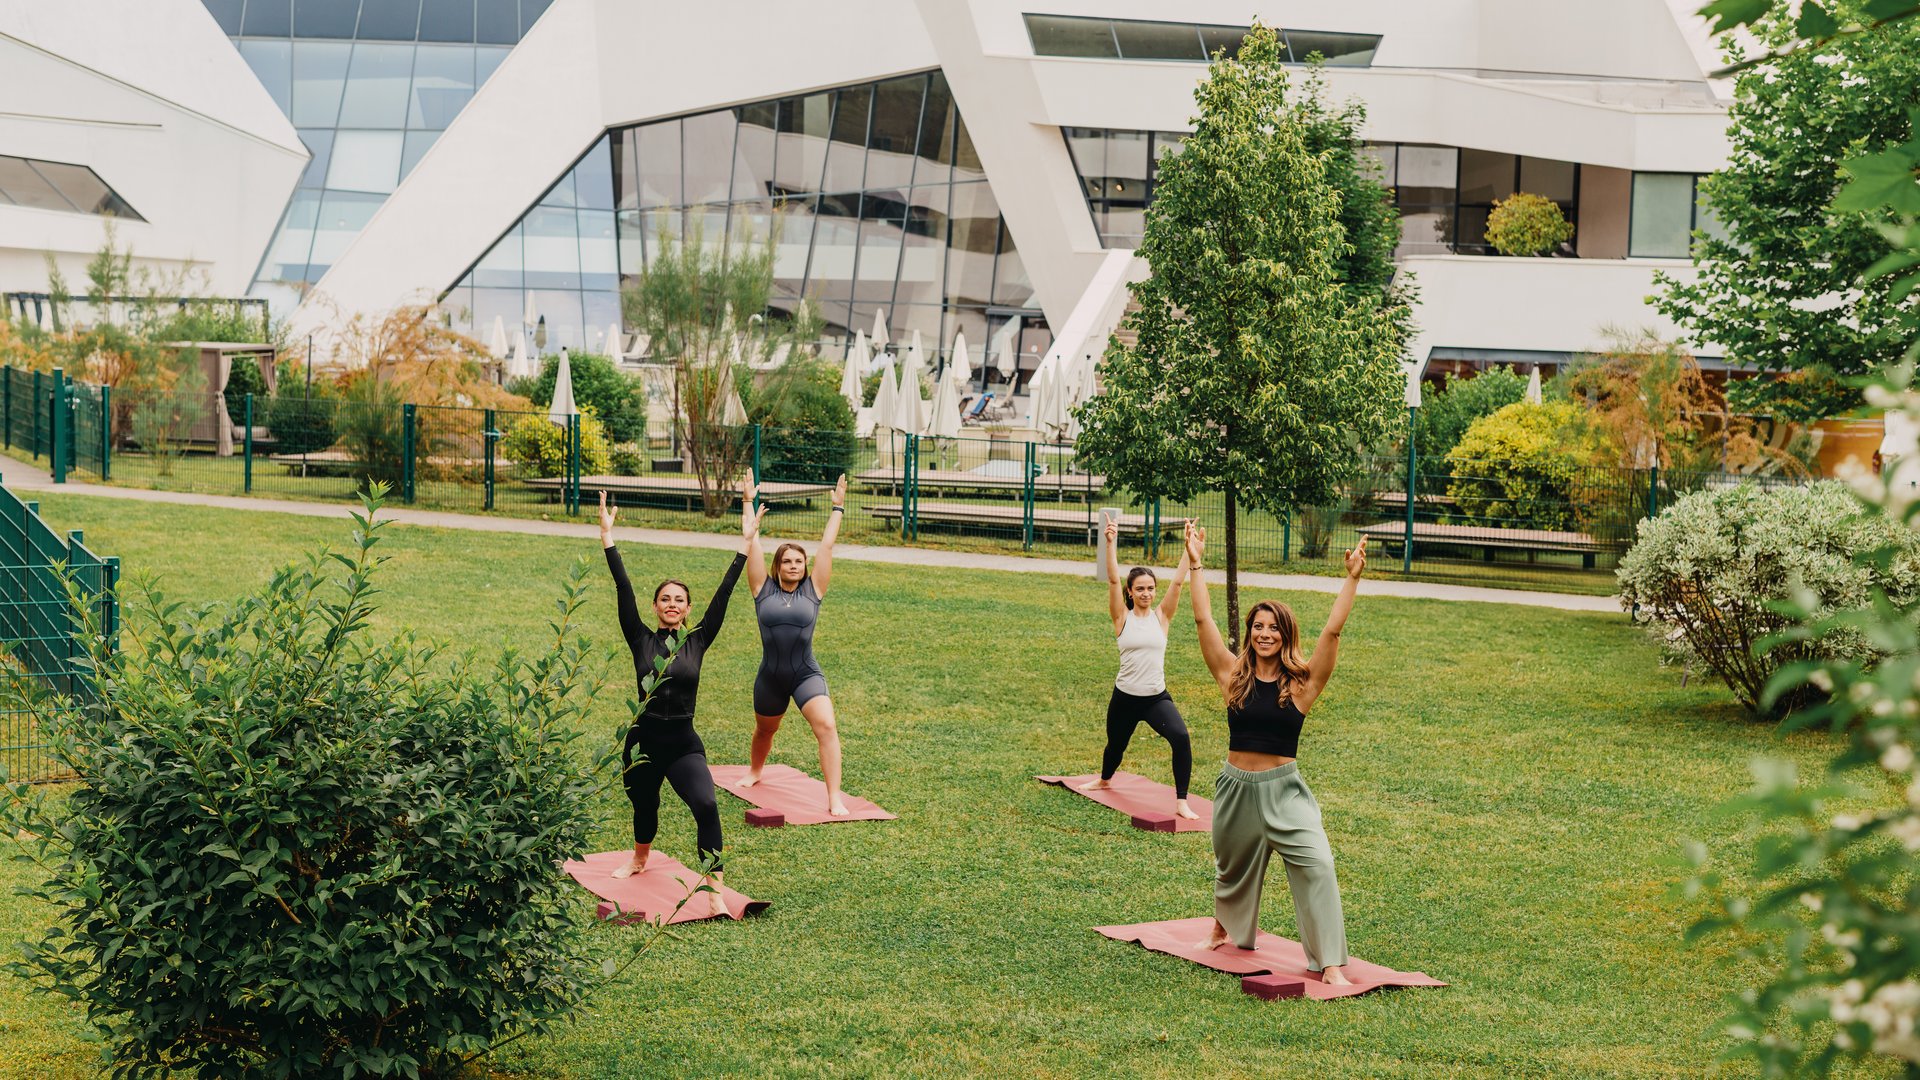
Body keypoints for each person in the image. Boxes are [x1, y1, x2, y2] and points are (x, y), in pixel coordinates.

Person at [1186, 522, 1366, 985]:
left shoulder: (1302, 684)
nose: (1265, 634)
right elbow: (1203, 622)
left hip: (1285, 791)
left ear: (1286, 635)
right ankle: (1222, 928)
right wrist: (1196, 563)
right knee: (1232, 867)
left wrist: (1352, 579)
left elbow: (1332, 633)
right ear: (1250, 633)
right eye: (1257, 627)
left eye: (1273, 628)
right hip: (1235, 788)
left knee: (1319, 864)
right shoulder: (1232, 676)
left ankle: (1329, 965)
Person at [600, 489, 758, 916]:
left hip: (683, 742)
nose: (672, 605)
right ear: (655, 607)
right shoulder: (640, 638)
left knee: (706, 805)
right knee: (644, 805)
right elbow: (623, 587)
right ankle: (639, 857)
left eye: (679, 600)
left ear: (688, 610)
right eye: (665, 599)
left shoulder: (698, 640)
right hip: (643, 741)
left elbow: (725, 595)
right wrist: (608, 538)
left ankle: (714, 891)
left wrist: (744, 547)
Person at [739, 475, 852, 816]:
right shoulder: (762, 588)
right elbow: (751, 542)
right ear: (778, 566)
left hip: (805, 674)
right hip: (770, 676)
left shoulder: (814, 589)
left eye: (799, 561)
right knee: (765, 729)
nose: (793, 565)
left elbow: (827, 547)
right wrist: (747, 501)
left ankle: (834, 796)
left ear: (805, 567)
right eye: (787, 561)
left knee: (827, 726)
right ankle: (756, 770)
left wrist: (838, 507)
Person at [1079, 516, 1199, 818]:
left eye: (1150, 588)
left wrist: (1188, 549)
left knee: (1181, 738)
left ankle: (1181, 801)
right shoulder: (1122, 618)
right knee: (1115, 747)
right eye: (1140, 589)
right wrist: (1110, 543)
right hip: (1125, 698)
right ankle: (1105, 778)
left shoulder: (1163, 617)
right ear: (1130, 593)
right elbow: (1112, 580)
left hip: (1155, 698)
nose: (1146, 593)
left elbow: (1178, 583)